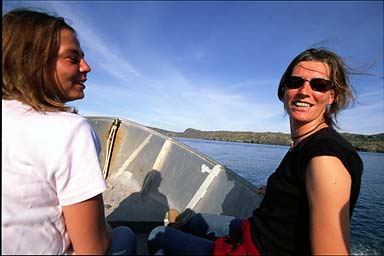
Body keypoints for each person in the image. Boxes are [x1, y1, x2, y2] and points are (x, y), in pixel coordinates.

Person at [147, 48, 363, 255]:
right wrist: (277, 192)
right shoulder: (304, 144)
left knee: (158, 235)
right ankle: (181, 228)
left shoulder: (324, 157)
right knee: (195, 221)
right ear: (285, 89)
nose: (304, 91)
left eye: (319, 85)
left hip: (258, 249)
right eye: (295, 82)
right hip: (257, 233)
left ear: (332, 96)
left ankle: (174, 232)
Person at [2, 8, 136, 255]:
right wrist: (100, 227)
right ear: (31, 61)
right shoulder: (69, 129)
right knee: (125, 235)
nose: (87, 67)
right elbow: (91, 249)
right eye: (73, 59)